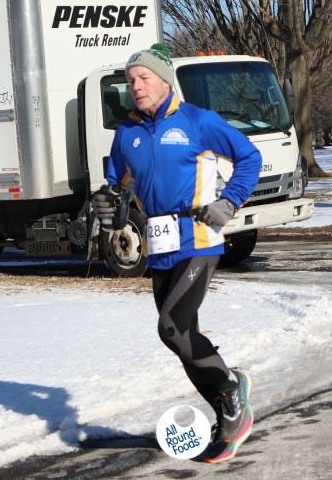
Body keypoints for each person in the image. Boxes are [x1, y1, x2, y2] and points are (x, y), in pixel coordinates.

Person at [92, 43, 262, 464]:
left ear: (165, 81)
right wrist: (110, 203)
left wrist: (230, 202)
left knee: (171, 327)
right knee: (182, 339)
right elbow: (120, 184)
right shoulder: (126, 133)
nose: (136, 86)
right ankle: (229, 410)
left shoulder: (198, 121)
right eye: (131, 80)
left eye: (143, 78)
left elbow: (249, 156)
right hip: (159, 243)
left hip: (198, 237)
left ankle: (231, 390)